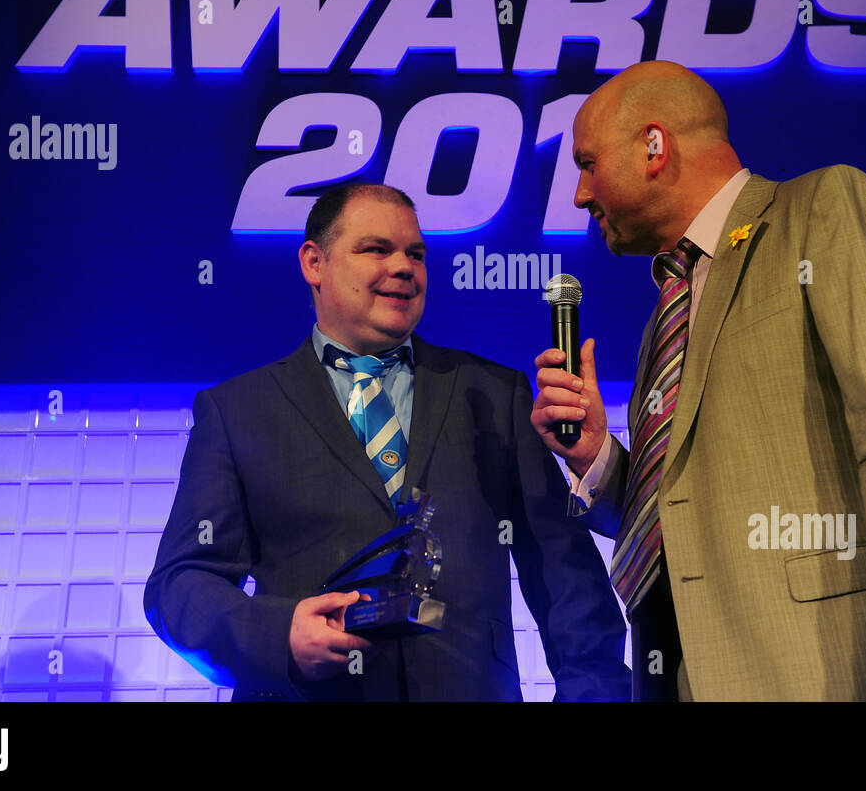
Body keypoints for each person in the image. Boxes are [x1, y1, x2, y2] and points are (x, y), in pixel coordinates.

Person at [530, 60, 866, 702]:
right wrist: (599, 458)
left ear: (654, 145)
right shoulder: (668, 309)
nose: (581, 195)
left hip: (821, 673)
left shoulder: (821, 209)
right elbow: (685, 517)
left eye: (588, 163)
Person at [144, 183, 630, 701]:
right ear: (314, 262)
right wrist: (277, 635)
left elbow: (564, 572)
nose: (404, 267)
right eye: (376, 249)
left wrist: (592, 692)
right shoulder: (236, 411)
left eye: (415, 254)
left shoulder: (493, 394)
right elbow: (180, 584)